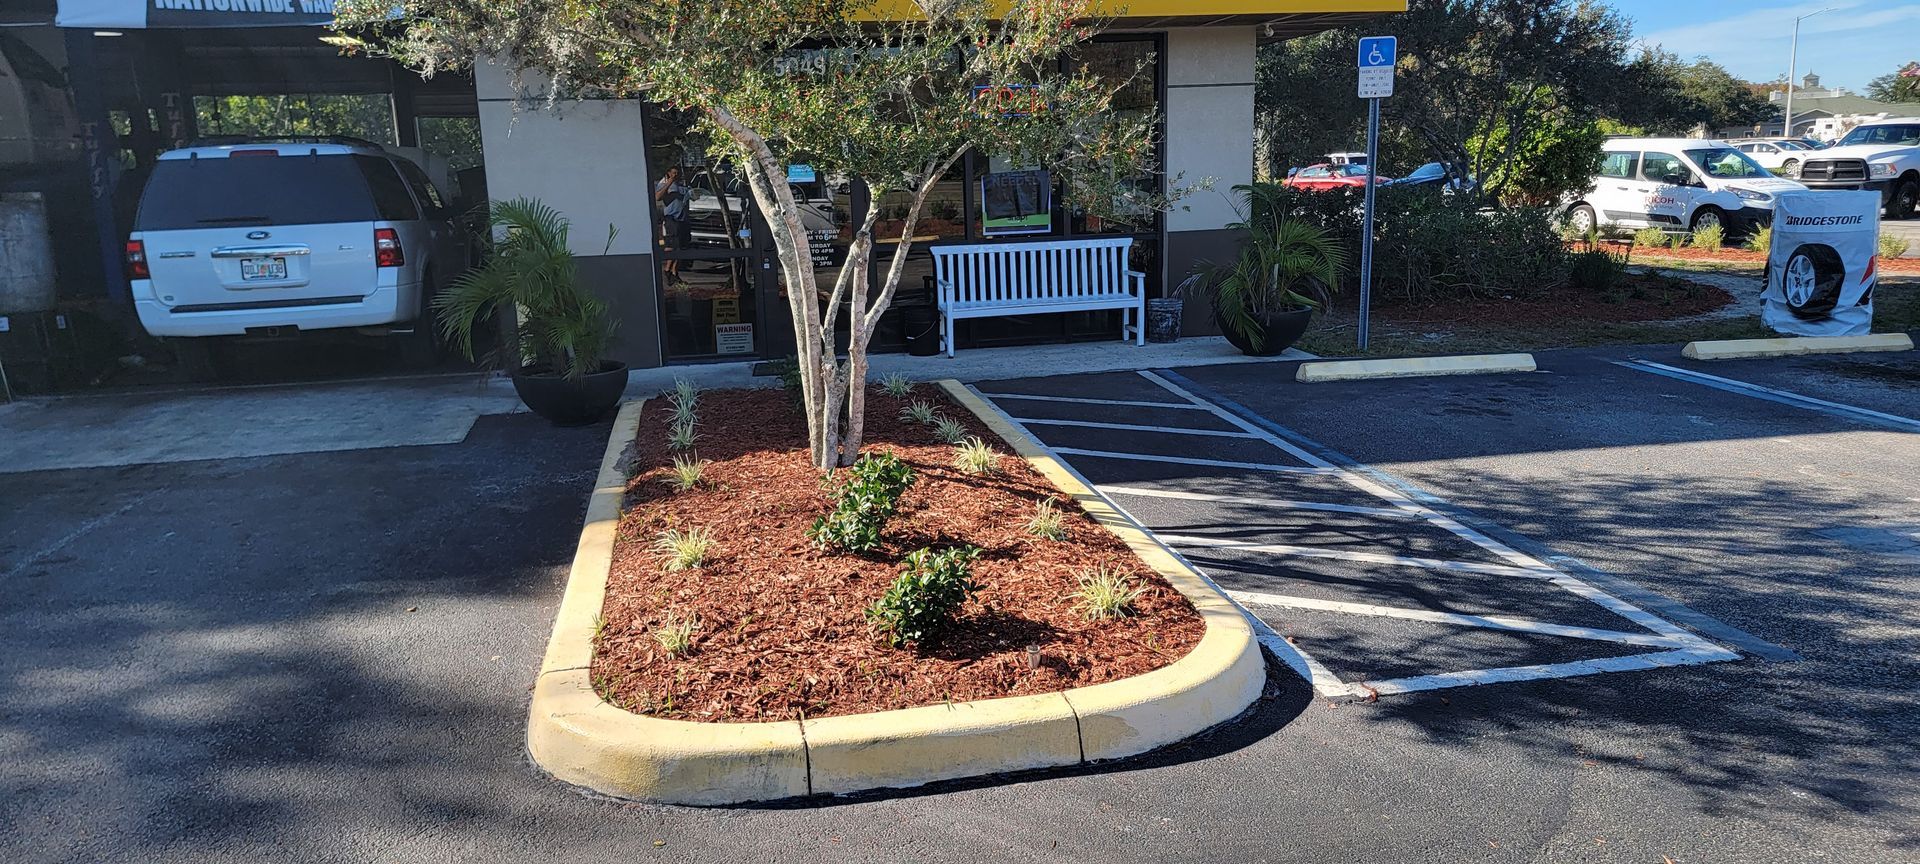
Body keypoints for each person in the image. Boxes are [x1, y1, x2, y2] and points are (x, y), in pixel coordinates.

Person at [654, 167, 689, 278]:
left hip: (683, 219)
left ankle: (674, 271)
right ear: (668, 173)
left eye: (677, 173)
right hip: (671, 219)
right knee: (672, 244)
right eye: (673, 173)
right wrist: (669, 182)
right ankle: (667, 269)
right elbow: (658, 196)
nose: (675, 175)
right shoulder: (664, 183)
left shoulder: (681, 185)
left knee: (681, 246)